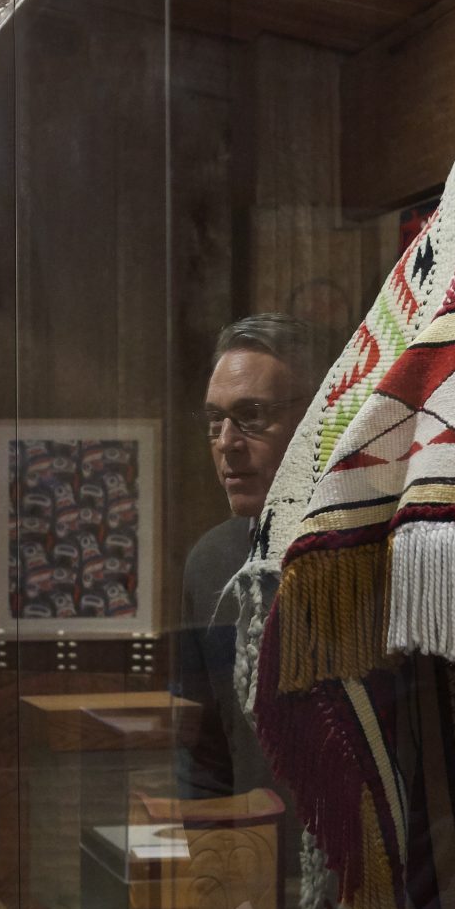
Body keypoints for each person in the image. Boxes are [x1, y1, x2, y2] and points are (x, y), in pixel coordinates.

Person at [178, 313, 322, 800]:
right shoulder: (211, 562)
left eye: (252, 417)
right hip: (254, 856)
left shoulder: (366, 553)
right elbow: (204, 757)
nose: (226, 444)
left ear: (312, 420)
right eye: (216, 420)